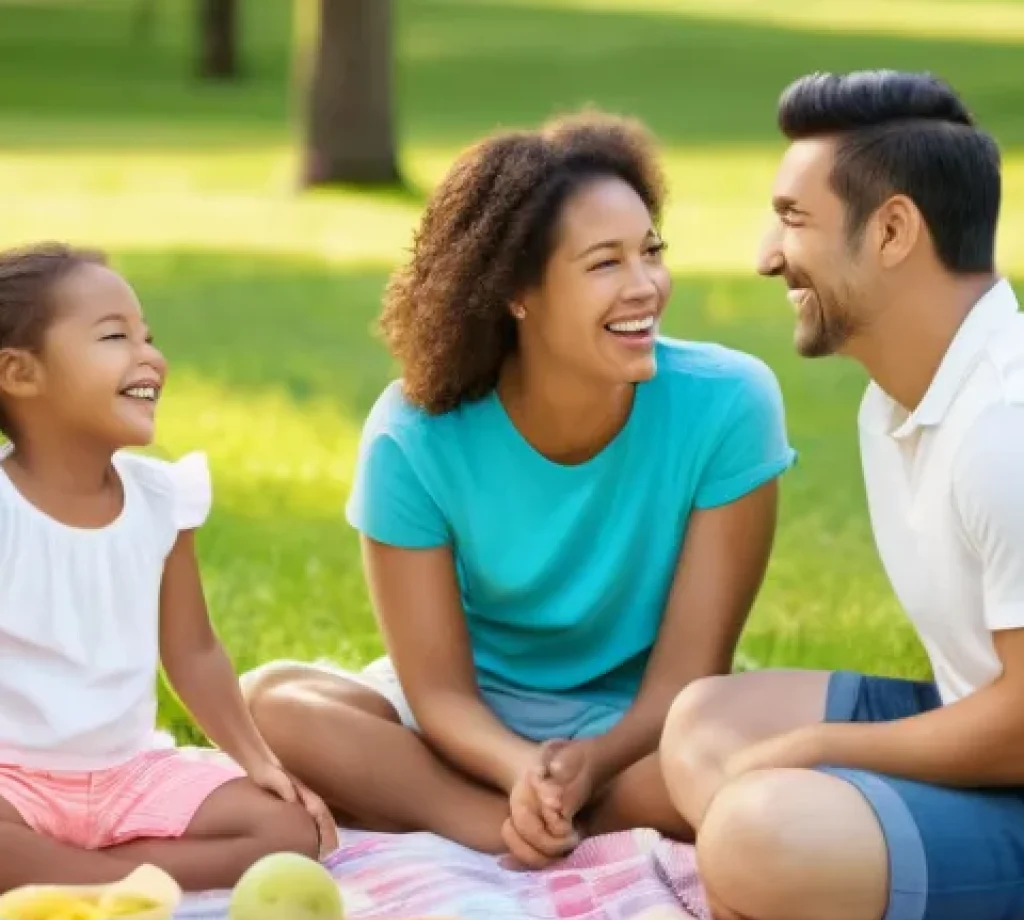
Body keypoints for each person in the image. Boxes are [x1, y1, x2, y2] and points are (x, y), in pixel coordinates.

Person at [244, 110, 796, 869]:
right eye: (605, 264)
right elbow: (438, 694)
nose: (645, 287)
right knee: (266, 704)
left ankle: (553, 822)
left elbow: (686, 679)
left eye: (651, 252)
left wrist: (592, 763)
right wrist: (517, 770)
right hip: (469, 736)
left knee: (768, 763)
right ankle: (491, 825)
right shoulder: (413, 436)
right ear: (516, 291)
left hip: (643, 735)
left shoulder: (729, 403)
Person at [659, 69, 1024, 920]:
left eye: (793, 219)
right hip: (981, 729)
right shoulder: (895, 405)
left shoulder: (1003, 429)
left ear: (893, 230)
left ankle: (806, 873)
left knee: (754, 836)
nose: (765, 255)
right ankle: (830, 873)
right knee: (706, 720)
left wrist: (825, 749)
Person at [0, 242, 338, 895]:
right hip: (12, 781)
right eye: (115, 336)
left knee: (292, 830)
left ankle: (81, 876)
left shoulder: (161, 500)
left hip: (129, 776)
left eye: (148, 337)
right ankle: (115, 878)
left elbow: (194, 652)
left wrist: (258, 760)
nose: (151, 357)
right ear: (19, 373)